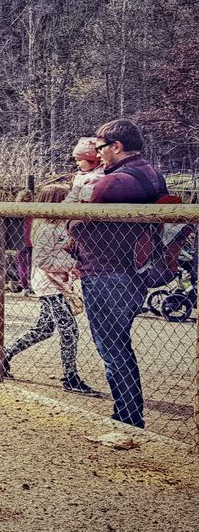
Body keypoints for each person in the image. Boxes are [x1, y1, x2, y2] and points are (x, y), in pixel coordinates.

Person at [69, 119, 168, 429]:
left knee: (111, 346)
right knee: (118, 342)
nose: (99, 155)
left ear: (117, 146)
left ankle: (127, 415)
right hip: (133, 270)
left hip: (106, 271)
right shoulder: (152, 175)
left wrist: (71, 226)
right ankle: (128, 411)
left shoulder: (115, 183)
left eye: (101, 148)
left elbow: (81, 223)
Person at [1, 184, 95, 394]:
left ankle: (4, 355)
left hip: (59, 283)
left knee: (43, 330)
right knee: (69, 330)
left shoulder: (61, 225)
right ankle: (70, 378)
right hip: (49, 285)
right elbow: (43, 260)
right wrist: (72, 264)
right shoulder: (46, 228)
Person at [65, 137, 105, 203]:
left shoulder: (95, 178)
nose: (77, 163)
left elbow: (81, 199)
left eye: (79, 160)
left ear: (94, 161)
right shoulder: (82, 174)